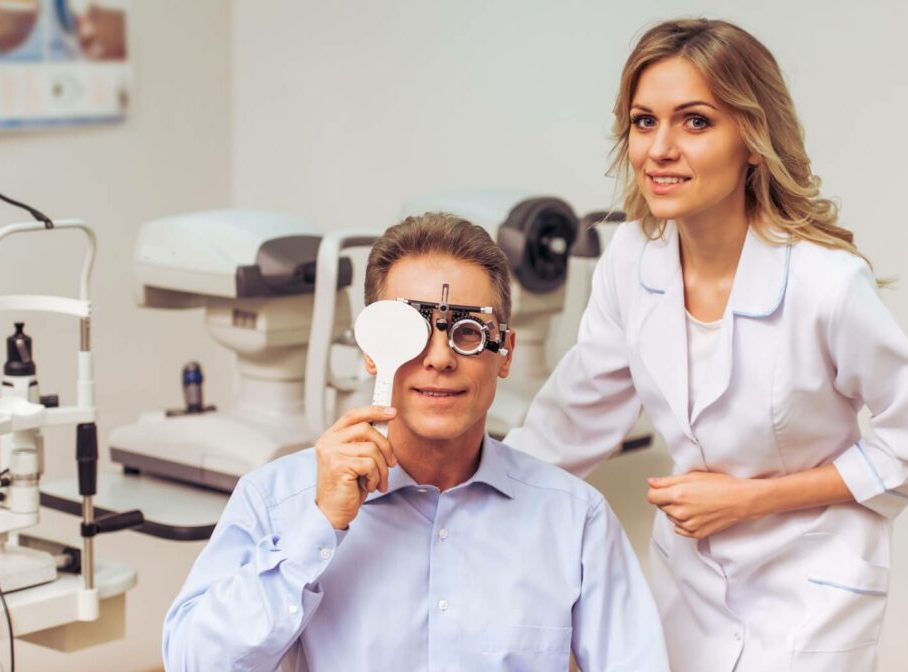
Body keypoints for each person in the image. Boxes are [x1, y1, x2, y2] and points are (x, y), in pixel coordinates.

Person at [503, 18, 908, 672]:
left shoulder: (825, 283)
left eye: (694, 122)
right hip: (689, 585)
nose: (659, 149)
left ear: (752, 138)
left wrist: (751, 499)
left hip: (810, 588)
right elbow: (566, 426)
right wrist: (443, 482)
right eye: (642, 121)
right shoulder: (631, 260)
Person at [162, 213, 669, 671]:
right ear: (369, 346)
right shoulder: (277, 500)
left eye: (468, 333)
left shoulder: (575, 520)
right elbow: (195, 663)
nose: (440, 358)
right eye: (409, 330)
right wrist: (315, 529)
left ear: (505, 353)